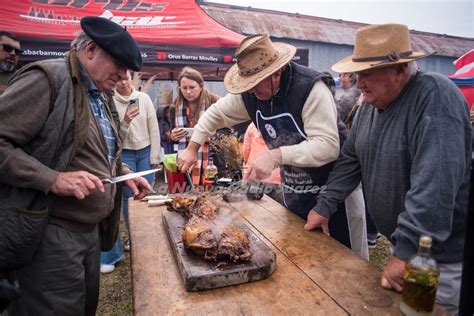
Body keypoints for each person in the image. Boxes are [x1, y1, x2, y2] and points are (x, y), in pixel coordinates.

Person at [306, 23, 471, 314]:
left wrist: (405, 252)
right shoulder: (370, 106)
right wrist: (325, 205)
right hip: (409, 249)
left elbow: (434, 189)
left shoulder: (435, 98)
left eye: (367, 73)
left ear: (400, 70)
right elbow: (350, 160)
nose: (358, 83)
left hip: (436, 260)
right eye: (357, 74)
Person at [0, 17, 152, 314]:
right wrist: (53, 179)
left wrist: (122, 173)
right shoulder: (49, 78)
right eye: (119, 65)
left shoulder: (99, 93)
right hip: (51, 232)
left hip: (89, 233)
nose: (124, 76)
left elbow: (87, 149)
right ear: (91, 49)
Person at [178, 34, 355, 250]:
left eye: (255, 84)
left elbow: (327, 146)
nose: (250, 90)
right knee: (301, 253)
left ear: (276, 73)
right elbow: (215, 114)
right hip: (296, 191)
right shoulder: (251, 94)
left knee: (343, 258)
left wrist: (275, 156)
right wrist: (192, 147)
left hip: (336, 190)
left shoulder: (310, 89)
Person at [99, 70, 161, 273]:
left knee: (145, 194)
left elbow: (154, 129)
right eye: (120, 78)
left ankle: (144, 238)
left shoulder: (143, 99)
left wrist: (154, 157)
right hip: (124, 153)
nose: (124, 82)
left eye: (126, 78)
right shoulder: (110, 101)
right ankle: (133, 237)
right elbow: (116, 137)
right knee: (128, 197)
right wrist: (125, 122)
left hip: (144, 152)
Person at [169, 66, 220, 185]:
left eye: (192, 87)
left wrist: (210, 137)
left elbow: (227, 131)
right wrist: (173, 136)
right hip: (185, 159)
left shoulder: (215, 102)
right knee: (187, 197)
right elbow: (171, 136)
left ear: (201, 86)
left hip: (212, 159)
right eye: (184, 88)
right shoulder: (174, 108)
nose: (188, 91)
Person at [243, 122, 281, 200]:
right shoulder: (281, 125)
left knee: (251, 208)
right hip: (274, 177)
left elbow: (246, 150)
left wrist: (248, 164)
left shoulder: (252, 126)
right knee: (274, 209)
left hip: (254, 175)